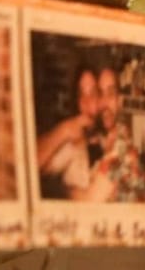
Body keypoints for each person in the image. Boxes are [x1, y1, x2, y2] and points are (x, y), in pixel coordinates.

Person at [87, 65, 145, 202]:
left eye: (110, 94)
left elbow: (89, 202)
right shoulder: (102, 142)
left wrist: (66, 189)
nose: (104, 103)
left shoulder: (121, 149)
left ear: (120, 101)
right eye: (100, 94)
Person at [36, 64, 101, 200]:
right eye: (81, 94)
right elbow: (31, 165)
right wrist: (63, 130)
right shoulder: (74, 144)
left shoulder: (112, 140)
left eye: (92, 93)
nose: (86, 101)